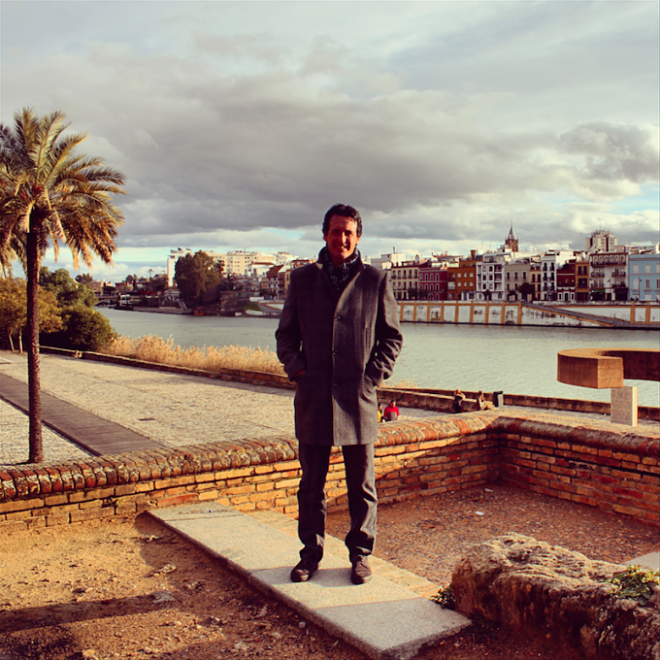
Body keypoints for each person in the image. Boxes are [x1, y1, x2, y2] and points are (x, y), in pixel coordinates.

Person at [276, 203, 403, 586]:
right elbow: (285, 336)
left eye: (349, 232)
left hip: (358, 399)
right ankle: (310, 555)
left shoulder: (375, 280)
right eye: (336, 232)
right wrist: (298, 370)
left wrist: (372, 378)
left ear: (358, 237)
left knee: (362, 486)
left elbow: (391, 337)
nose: (342, 239)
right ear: (325, 234)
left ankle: (361, 555)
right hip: (314, 398)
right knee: (311, 486)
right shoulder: (301, 280)